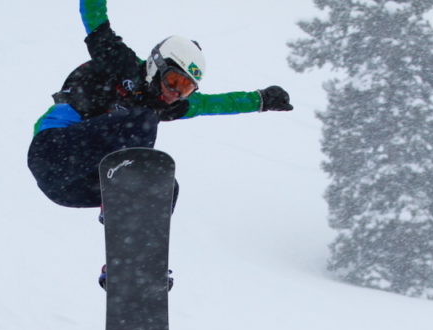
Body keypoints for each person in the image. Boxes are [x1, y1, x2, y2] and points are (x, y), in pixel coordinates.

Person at [26, 0, 293, 286]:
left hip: (69, 188)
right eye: (174, 81)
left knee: (165, 184)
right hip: (53, 152)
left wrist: (261, 100)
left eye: (186, 88)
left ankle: (130, 263)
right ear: (157, 65)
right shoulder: (121, 63)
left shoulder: (168, 104)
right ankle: (125, 203)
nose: (175, 94)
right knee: (142, 120)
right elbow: (95, 17)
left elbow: (213, 104)